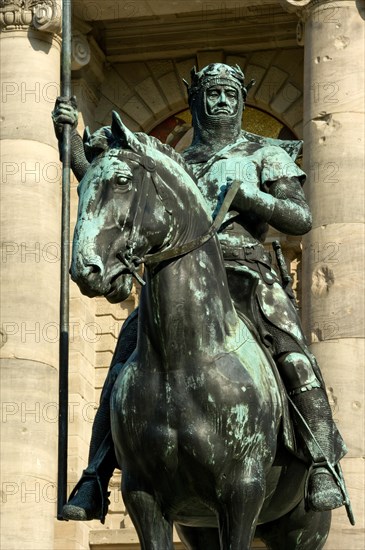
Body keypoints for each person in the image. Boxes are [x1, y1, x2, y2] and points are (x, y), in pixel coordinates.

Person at [52, 63, 347, 524]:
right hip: (176, 279)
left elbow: (299, 217)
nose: (221, 101)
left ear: (242, 99)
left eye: (230, 92)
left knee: (292, 348)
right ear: (195, 100)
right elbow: (110, 187)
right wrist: (69, 142)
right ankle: (95, 476)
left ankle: (322, 462)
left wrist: (253, 197)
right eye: (211, 93)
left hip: (246, 273)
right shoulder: (175, 162)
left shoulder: (265, 154)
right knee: (124, 358)